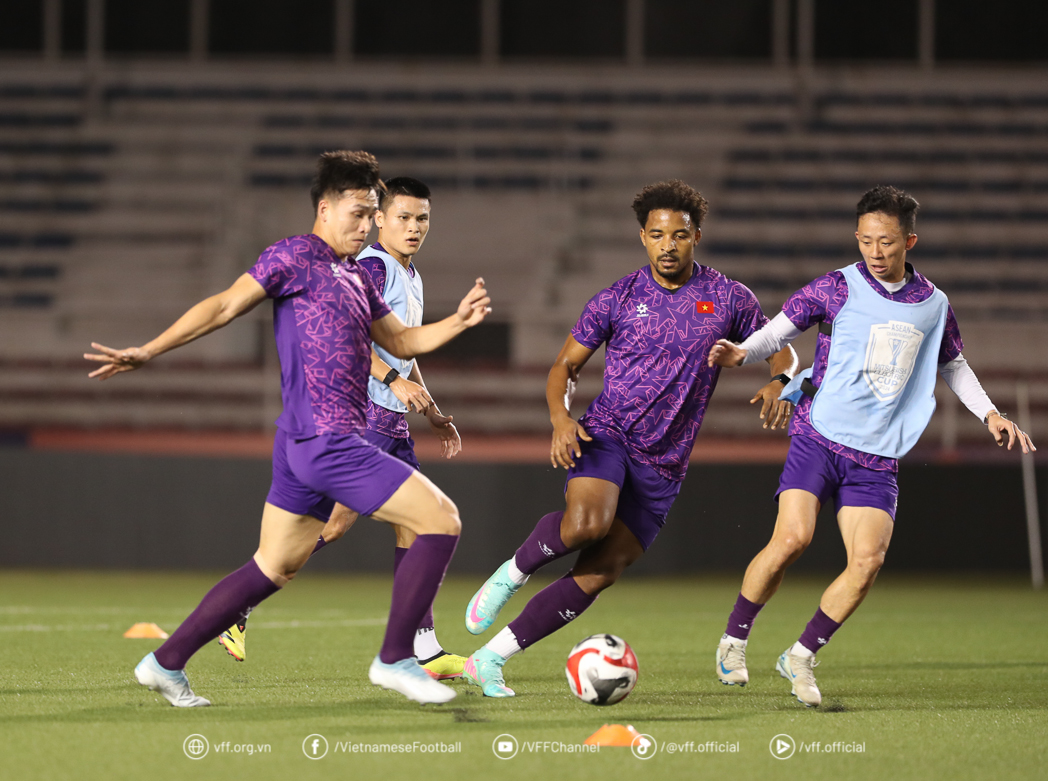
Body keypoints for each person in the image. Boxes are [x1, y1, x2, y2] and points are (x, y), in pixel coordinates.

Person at [84, 151, 491, 706]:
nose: (367, 225)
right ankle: (397, 658)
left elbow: (400, 342)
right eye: (358, 212)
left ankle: (164, 661)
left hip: (303, 443)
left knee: (273, 566)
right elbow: (226, 305)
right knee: (441, 520)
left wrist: (457, 321)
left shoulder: (357, 275)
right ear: (324, 209)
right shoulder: (295, 256)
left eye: (373, 214)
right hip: (328, 441)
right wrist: (148, 350)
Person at [459, 179, 798, 697]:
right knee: (586, 524)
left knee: (599, 573)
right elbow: (564, 365)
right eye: (657, 234)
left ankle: (489, 659)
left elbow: (782, 349)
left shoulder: (729, 298)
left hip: (666, 463)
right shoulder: (617, 298)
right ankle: (514, 570)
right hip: (610, 434)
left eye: (679, 235)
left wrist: (779, 379)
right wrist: (560, 418)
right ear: (642, 237)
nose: (668, 244)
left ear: (696, 237)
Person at [707, 185, 1035, 707]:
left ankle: (801, 656)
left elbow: (951, 362)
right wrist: (741, 354)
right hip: (819, 437)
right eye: (865, 241)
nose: (875, 252)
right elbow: (777, 333)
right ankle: (733, 640)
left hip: (877, 456)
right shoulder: (835, 288)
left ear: (909, 240)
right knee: (792, 540)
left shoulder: (934, 305)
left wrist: (990, 413)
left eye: (885, 242)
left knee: (867, 562)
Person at [218, 176, 467, 680]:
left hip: (393, 421)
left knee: (413, 529)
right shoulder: (372, 266)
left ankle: (424, 648)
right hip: (366, 417)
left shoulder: (409, 273)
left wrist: (433, 410)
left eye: (422, 219)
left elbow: (403, 345)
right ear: (380, 219)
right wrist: (393, 380)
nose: (414, 228)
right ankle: (240, 604)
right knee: (333, 525)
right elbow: (352, 335)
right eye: (403, 217)